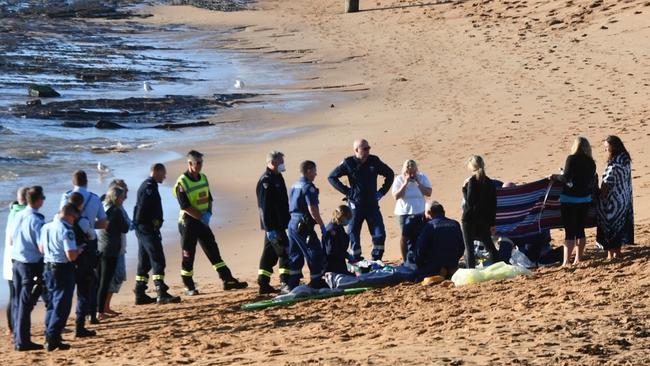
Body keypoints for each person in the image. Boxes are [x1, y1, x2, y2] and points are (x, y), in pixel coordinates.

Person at [173, 150, 247, 295]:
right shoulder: (182, 182)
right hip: (188, 222)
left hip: (202, 220)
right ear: (190, 163)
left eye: (201, 163)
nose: (200, 166)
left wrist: (208, 214)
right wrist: (201, 217)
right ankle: (188, 285)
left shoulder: (203, 178)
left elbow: (209, 198)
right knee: (188, 254)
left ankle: (227, 279)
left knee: (213, 251)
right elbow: (185, 206)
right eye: (198, 163)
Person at [328, 139, 394, 262]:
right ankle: (356, 260)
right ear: (356, 150)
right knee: (353, 234)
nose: (368, 150)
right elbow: (331, 177)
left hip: (372, 206)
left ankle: (376, 259)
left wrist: (381, 192)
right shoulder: (348, 163)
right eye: (365, 149)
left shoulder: (374, 161)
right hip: (355, 207)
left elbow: (390, 174)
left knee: (379, 234)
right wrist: (347, 192)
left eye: (368, 148)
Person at [60, 170, 107, 336]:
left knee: (66, 286)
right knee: (88, 283)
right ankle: (90, 316)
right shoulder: (94, 198)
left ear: (73, 182)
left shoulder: (65, 196)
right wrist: (87, 226)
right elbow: (103, 222)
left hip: (68, 244)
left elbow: (61, 219)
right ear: (87, 181)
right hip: (88, 243)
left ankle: (63, 322)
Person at [133, 164, 180, 304]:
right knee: (158, 259)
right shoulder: (149, 187)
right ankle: (161, 292)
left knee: (145, 261)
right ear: (156, 171)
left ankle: (140, 293)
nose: (165, 177)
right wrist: (148, 225)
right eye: (163, 173)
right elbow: (141, 208)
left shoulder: (150, 185)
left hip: (143, 228)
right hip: (146, 229)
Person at [40, 204, 82, 351]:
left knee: (52, 303)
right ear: (70, 215)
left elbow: (41, 249)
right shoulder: (66, 230)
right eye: (75, 218)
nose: (74, 221)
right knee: (62, 306)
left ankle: (50, 335)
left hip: (48, 267)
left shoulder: (46, 227)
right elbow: (71, 255)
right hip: (62, 269)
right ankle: (52, 337)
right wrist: (79, 250)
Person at [550, 136, 597, 267]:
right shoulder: (591, 162)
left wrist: (555, 176)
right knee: (580, 230)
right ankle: (578, 259)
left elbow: (566, 177)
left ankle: (566, 262)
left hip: (569, 199)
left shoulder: (571, 158)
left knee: (569, 232)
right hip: (585, 199)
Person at [11, 186, 46, 351]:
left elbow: (11, 238)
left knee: (19, 301)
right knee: (26, 303)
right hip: (30, 264)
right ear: (38, 200)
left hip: (17, 261)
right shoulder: (37, 220)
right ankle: (22, 340)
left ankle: (17, 337)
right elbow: (41, 247)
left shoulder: (18, 214)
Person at [287, 160, 328, 290]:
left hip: (292, 223)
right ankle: (316, 281)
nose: (316, 174)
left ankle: (292, 283)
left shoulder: (294, 185)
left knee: (295, 253)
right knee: (314, 251)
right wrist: (322, 225)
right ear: (308, 170)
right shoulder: (308, 187)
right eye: (314, 171)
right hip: (303, 225)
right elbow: (312, 209)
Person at [255, 151, 291, 294]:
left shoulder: (278, 177)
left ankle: (263, 283)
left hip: (280, 223)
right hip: (273, 225)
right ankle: (285, 281)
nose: (283, 164)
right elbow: (263, 207)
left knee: (270, 254)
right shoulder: (266, 181)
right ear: (273, 162)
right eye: (281, 161)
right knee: (285, 251)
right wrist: (269, 228)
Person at [597, 135, 633, 260]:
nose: (605, 150)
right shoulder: (625, 159)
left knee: (610, 228)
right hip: (624, 199)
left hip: (613, 202)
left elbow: (606, 185)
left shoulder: (615, 164)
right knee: (619, 226)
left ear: (613, 147)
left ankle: (611, 254)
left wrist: (599, 193)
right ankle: (616, 252)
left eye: (607, 147)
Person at [96, 186, 130, 320]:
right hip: (111, 249)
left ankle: (96, 310)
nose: (123, 200)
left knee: (99, 281)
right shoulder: (115, 211)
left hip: (99, 247)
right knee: (105, 281)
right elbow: (125, 228)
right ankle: (100, 311)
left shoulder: (102, 207)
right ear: (116, 198)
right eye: (121, 197)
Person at [391, 159, 432, 262]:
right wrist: (405, 183)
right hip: (404, 213)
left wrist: (418, 182)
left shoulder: (422, 177)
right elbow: (396, 196)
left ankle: (418, 257)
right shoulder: (399, 179)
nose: (412, 175)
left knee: (420, 236)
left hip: (419, 211)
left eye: (414, 172)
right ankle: (405, 260)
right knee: (405, 237)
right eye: (409, 172)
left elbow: (428, 193)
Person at [461, 155, 498, 268]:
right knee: (490, 247)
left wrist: (464, 188)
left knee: (469, 249)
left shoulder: (472, 181)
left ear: (471, 167)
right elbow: (493, 204)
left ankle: (471, 272)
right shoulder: (490, 182)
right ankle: (497, 266)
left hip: (469, 219)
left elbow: (469, 203)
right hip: (484, 219)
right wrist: (492, 223)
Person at [412, 201, 465, 280]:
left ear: (430, 213)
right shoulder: (455, 223)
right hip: (452, 263)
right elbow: (462, 246)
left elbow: (420, 249)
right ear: (444, 212)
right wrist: (454, 260)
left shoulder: (429, 226)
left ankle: (441, 270)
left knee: (410, 275)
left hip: (436, 265)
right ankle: (449, 269)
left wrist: (420, 264)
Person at [3, 187, 27, 336]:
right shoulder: (23, 214)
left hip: (9, 258)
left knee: (13, 294)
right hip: (19, 259)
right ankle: (15, 327)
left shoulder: (13, 211)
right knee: (19, 295)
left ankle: (11, 326)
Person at [322, 205, 353, 274]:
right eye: (347, 218)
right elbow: (331, 251)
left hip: (339, 263)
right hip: (331, 266)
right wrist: (346, 255)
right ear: (341, 217)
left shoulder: (339, 227)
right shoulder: (331, 230)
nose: (348, 221)